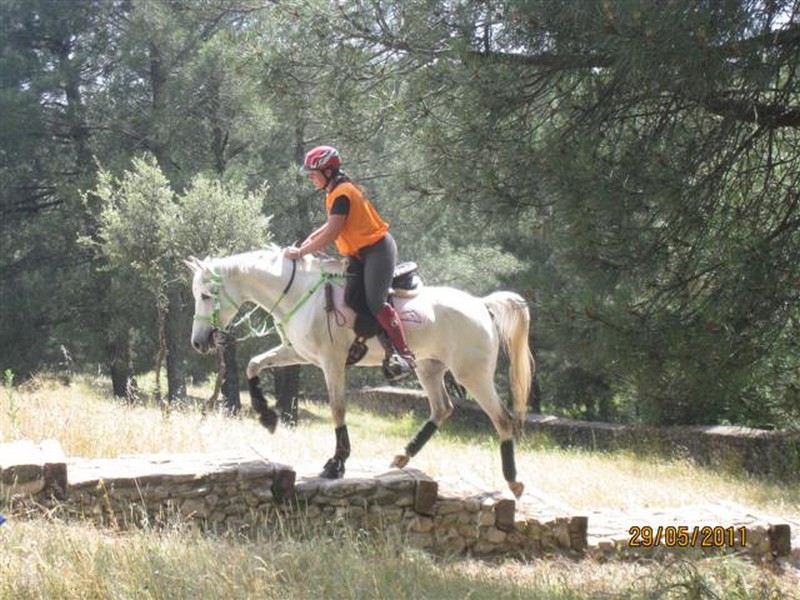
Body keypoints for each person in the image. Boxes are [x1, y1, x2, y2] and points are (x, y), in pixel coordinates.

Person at [283, 145, 415, 380]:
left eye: (313, 173)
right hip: (359, 255)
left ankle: (404, 355)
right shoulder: (334, 191)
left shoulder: (343, 192)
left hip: (377, 250)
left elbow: (332, 234)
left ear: (328, 171)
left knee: (375, 301)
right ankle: (373, 344)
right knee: (352, 298)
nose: (311, 178)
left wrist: (301, 252)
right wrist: (305, 243)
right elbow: (328, 226)